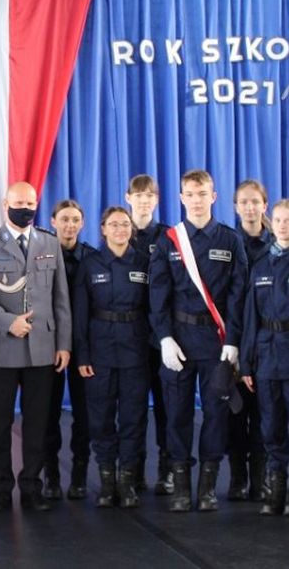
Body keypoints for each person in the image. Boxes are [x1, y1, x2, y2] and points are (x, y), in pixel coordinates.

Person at [0, 181, 72, 512]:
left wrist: (64, 344)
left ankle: (31, 487)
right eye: (19, 202)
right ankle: (0, 489)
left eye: (30, 203)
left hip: (43, 348)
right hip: (2, 348)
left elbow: (60, 299)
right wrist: (8, 321)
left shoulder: (49, 243)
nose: (25, 208)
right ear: (5, 204)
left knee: (37, 423)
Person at [149, 169, 247, 512]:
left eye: (202, 193)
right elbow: (158, 294)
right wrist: (164, 337)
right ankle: (180, 487)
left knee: (216, 414)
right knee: (176, 414)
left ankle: (207, 487)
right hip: (179, 340)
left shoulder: (230, 240)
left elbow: (238, 295)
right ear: (181, 198)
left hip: (217, 342)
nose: (196, 200)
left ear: (213, 197)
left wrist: (233, 340)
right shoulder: (169, 241)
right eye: (190, 194)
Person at [240, 199, 289, 517]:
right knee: (270, 425)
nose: (283, 226)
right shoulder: (260, 265)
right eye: (279, 220)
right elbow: (250, 317)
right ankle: (276, 486)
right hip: (266, 354)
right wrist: (246, 362)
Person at [73, 207, 152, 508]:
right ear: (103, 229)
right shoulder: (90, 264)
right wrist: (82, 355)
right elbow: (80, 314)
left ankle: (127, 481)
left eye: (125, 224)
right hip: (100, 352)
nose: (120, 229)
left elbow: (153, 308)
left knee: (134, 418)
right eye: (114, 224)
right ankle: (107, 482)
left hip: (135, 350)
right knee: (101, 419)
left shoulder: (144, 262)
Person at [125, 174, 172, 493]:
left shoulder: (168, 236)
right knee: (133, 409)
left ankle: (167, 471)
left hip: (162, 337)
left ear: (156, 200)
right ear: (128, 198)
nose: (144, 200)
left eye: (149, 195)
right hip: (130, 337)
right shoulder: (119, 230)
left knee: (167, 407)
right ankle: (135, 470)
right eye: (138, 195)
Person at [44, 199, 92, 500]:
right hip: (51, 346)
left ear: (82, 224)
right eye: (64, 219)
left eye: (75, 219)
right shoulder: (41, 256)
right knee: (48, 415)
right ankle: (51, 476)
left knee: (84, 416)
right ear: (53, 222)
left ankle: (79, 475)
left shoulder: (92, 258)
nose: (70, 225)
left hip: (84, 346)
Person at [228, 180, 273, 502]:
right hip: (235, 337)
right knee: (235, 412)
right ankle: (237, 478)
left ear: (264, 205)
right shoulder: (229, 244)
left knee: (264, 414)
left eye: (255, 201)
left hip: (269, 340)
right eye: (244, 202)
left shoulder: (277, 242)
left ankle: (260, 478)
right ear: (235, 207)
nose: (249, 207)